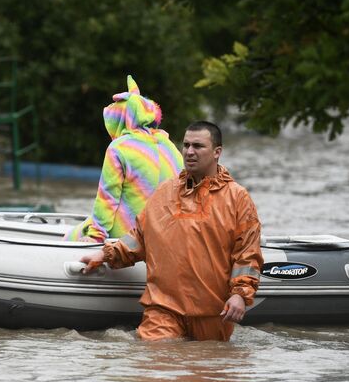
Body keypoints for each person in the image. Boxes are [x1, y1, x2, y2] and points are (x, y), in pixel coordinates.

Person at [80, 120, 263, 341]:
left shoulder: (237, 197)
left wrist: (240, 295)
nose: (189, 152)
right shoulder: (165, 192)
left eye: (198, 146)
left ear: (217, 152)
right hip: (163, 308)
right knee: (154, 362)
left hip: (212, 312)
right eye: (186, 145)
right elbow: (139, 236)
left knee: (211, 367)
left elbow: (247, 253)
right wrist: (104, 254)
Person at [64, 75, 183, 242]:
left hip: (129, 237)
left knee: (69, 236)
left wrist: (96, 235)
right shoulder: (169, 146)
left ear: (120, 121)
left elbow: (107, 198)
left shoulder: (119, 148)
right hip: (167, 236)